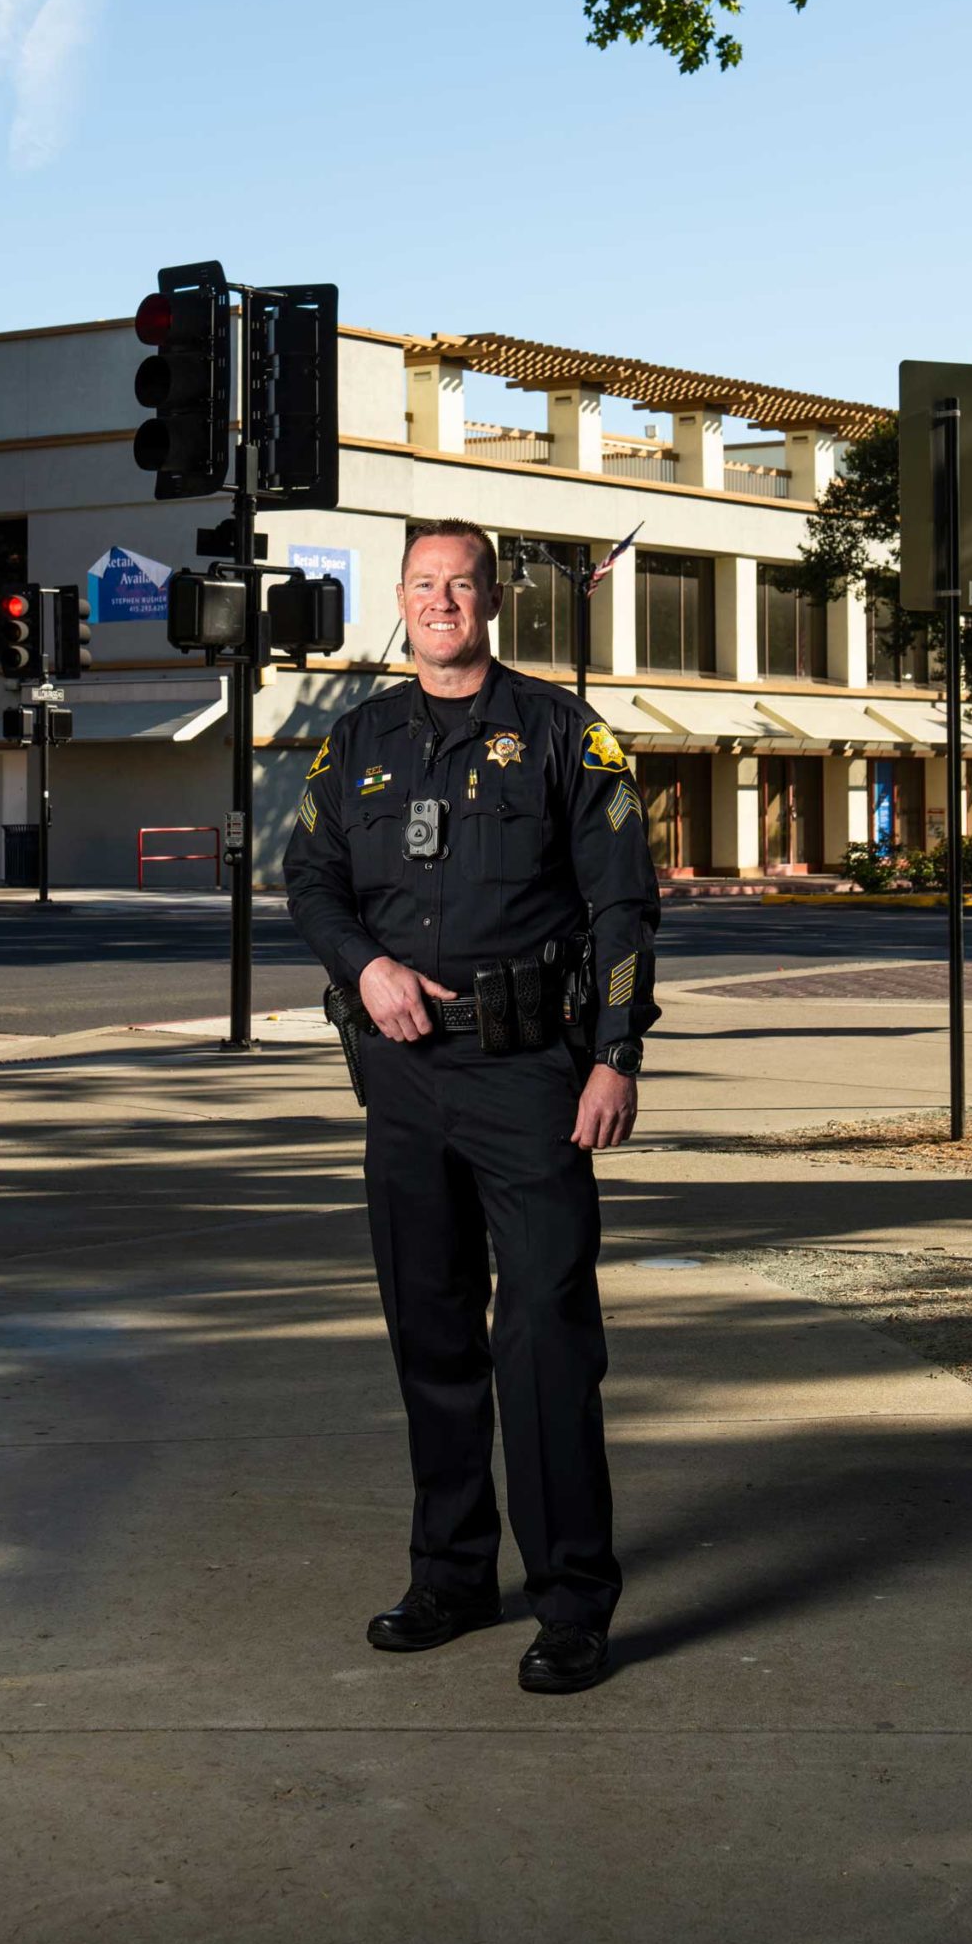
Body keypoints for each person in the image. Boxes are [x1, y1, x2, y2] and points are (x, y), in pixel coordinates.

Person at [283, 519, 660, 1695]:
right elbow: (309, 878)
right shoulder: (356, 740)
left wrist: (614, 1054)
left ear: (493, 600)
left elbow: (624, 903)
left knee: (545, 1337)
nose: (441, 600)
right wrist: (364, 967)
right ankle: (450, 1575)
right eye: (423, 583)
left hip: (528, 1072)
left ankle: (572, 1601)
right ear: (401, 599)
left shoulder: (563, 734)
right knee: (431, 1329)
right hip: (400, 1076)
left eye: (461, 583)